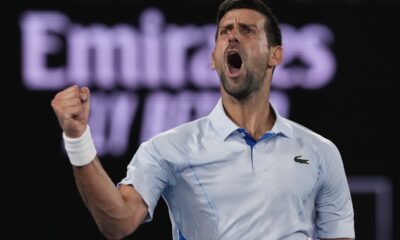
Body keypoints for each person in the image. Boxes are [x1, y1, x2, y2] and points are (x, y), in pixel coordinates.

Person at [51, 0, 355, 239]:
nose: (233, 35)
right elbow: (117, 222)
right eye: (225, 31)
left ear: (275, 55)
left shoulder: (320, 152)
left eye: (248, 30)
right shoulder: (168, 148)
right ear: (213, 58)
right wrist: (78, 139)